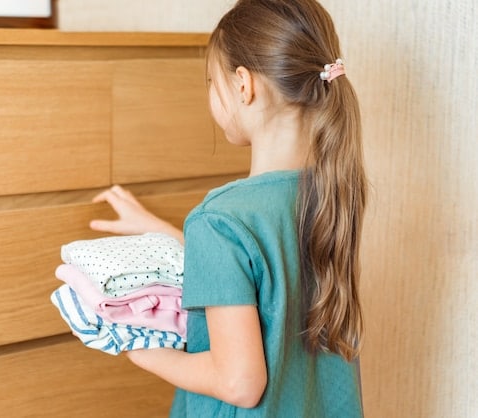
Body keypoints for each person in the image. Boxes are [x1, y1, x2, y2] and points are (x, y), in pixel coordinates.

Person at [89, 0, 367, 416]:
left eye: (210, 81)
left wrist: (138, 349)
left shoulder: (221, 219)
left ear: (243, 84)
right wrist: (168, 233)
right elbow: (264, 276)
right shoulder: (332, 189)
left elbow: (239, 383)